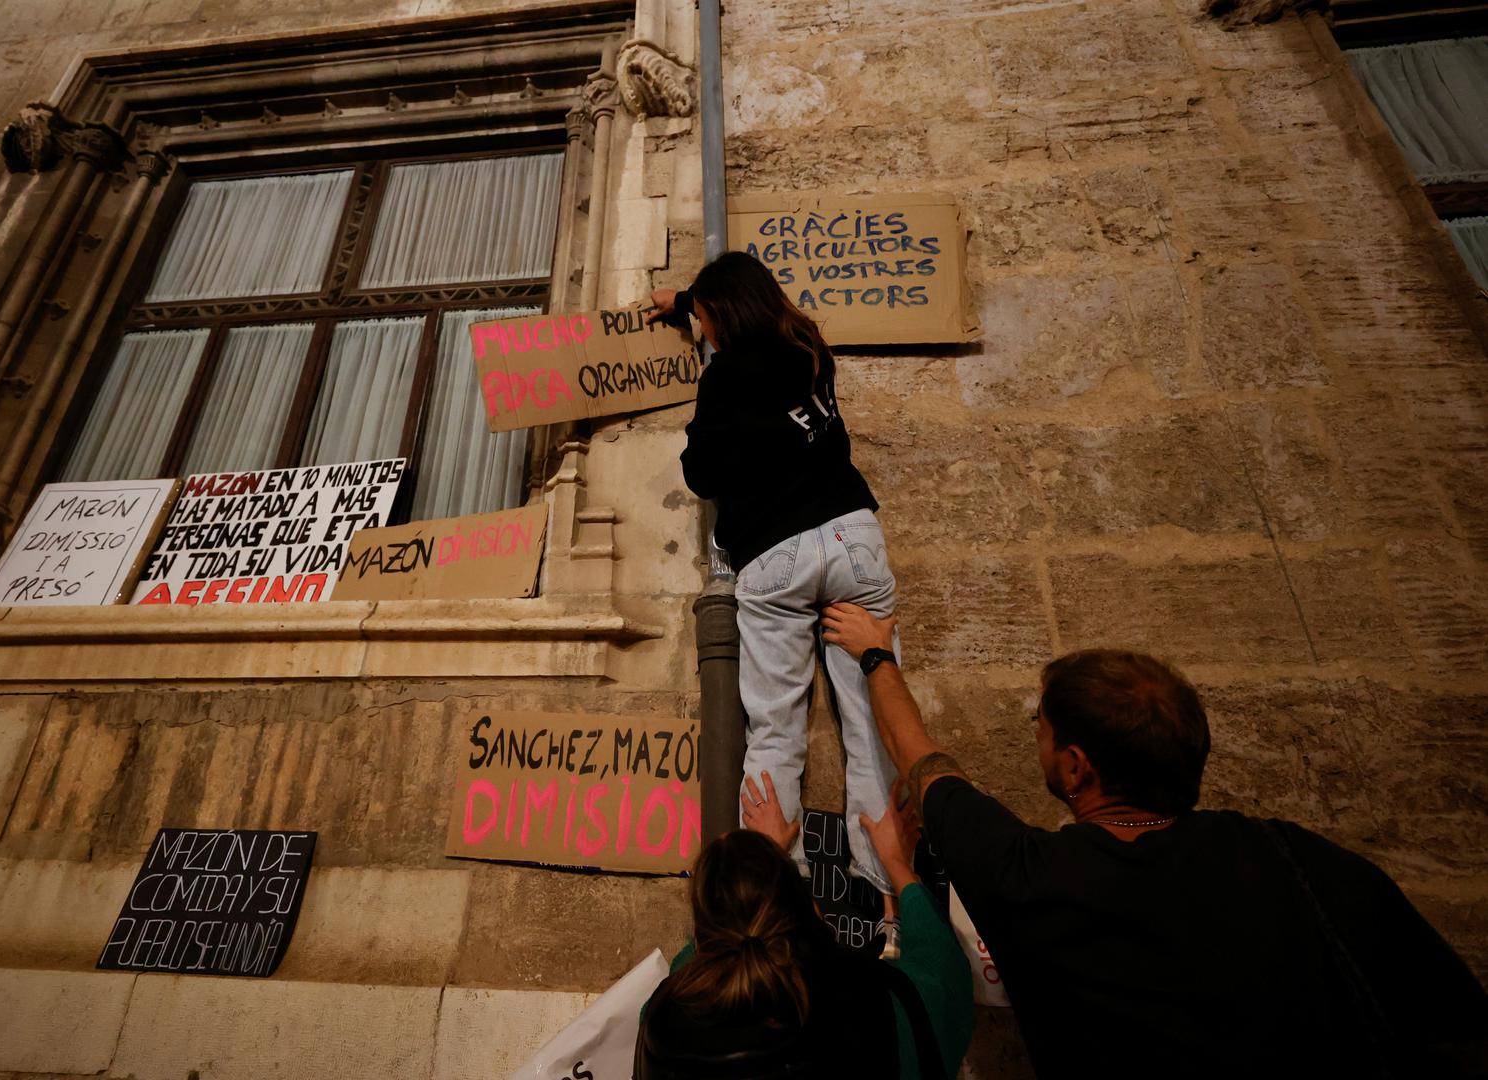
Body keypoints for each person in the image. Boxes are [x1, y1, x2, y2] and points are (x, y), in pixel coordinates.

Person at [818, 603, 1488, 1079]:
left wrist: (874, 653)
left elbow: (925, 763)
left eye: (1041, 725)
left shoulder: (1034, 880)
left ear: (1076, 766)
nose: (1038, 736)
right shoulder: (1302, 860)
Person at [651, 252, 904, 934]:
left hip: (776, 557)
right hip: (851, 539)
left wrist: (704, 367)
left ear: (718, 320)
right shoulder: (809, 347)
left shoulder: (725, 373)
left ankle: (773, 905)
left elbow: (702, 473)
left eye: (702, 320)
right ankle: (889, 903)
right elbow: (742, 320)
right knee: (870, 720)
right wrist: (684, 301)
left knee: (776, 729)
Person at [635, 782, 974, 1080]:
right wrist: (899, 865)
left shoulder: (664, 1024)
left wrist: (757, 880)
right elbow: (944, 979)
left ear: (699, 936)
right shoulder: (873, 1011)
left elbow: (707, 961)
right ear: (813, 909)